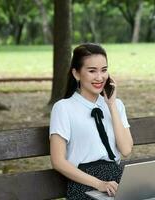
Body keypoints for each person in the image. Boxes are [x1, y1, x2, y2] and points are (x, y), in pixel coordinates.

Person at [49, 43, 133, 200]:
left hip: (116, 179)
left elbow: (126, 149)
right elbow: (58, 161)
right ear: (76, 73)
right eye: (92, 71)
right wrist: (99, 184)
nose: (100, 77)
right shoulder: (63, 108)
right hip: (84, 182)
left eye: (104, 70)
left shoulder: (116, 105)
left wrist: (111, 105)